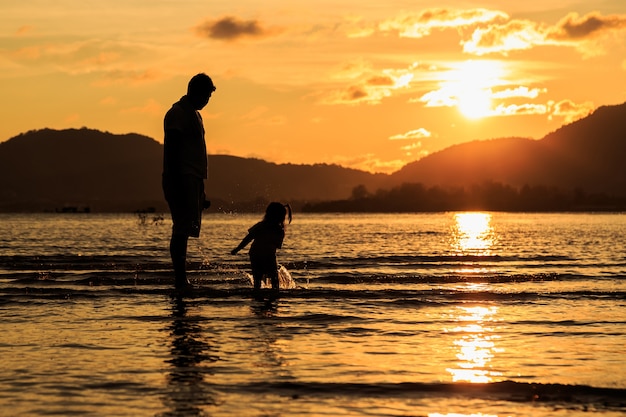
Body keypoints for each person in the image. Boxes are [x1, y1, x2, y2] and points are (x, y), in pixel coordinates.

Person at [162, 73, 216, 291]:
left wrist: (200, 193)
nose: (207, 101)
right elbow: (173, 151)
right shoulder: (177, 113)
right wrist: (176, 184)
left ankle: (181, 279)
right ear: (197, 92)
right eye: (206, 96)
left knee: (186, 229)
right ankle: (180, 279)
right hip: (180, 177)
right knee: (181, 229)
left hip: (192, 179)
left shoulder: (194, 115)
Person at [231, 202, 292, 293]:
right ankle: (274, 295)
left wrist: (237, 249)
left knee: (257, 278)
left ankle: (258, 296)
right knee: (274, 278)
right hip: (267, 255)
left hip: (255, 254)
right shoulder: (279, 230)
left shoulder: (261, 226)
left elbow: (248, 238)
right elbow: (277, 246)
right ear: (281, 217)